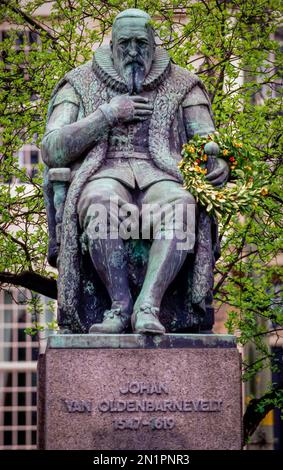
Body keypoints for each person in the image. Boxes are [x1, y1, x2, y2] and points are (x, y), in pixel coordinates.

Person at [42, 8, 228, 335]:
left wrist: (221, 161)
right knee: (100, 202)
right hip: (104, 173)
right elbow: (52, 147)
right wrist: (106, 116)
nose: (132, 52)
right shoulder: (80, 82)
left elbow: (210, 141)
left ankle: (148, 306)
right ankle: (119, 306)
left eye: (141, 44)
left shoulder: (184, 84)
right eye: (125, 43)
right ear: (111, 44)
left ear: (154, 45)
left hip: (162, 176)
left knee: (183, 204)